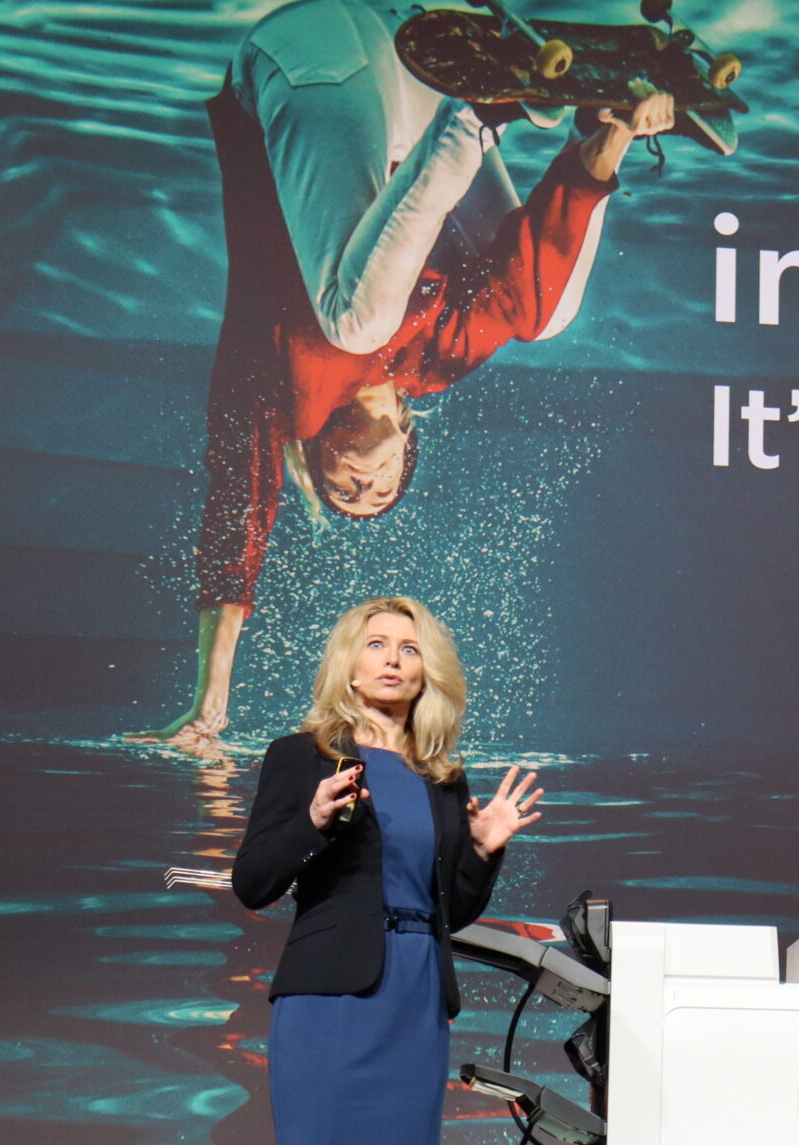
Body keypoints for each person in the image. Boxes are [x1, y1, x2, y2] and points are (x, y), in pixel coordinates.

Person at [135, 0, 673, 755]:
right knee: (540, 318)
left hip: (303, 61)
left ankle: (486, 111)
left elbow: (237, 520)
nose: (361, 483)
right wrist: (619, 135)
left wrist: (209, 705)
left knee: (355, 323)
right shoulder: (436, 362)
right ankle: (598, 131)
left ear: (316, 457)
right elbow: (527, 278)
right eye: (379, 488)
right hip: (414, 67)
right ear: (405, 443)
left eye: (342, 490)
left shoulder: (280, 397)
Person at [233, 595, 543, 1145]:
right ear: (349, 659)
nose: (393, 658)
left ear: (428, 671)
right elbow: (255, 881)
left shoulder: (442, 776)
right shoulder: (303, 755)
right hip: (331, 1000)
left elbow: (448, 903)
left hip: (413, 1001)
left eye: (410, 647)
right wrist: (312, 820)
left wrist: (483, 850)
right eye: (376, 643)